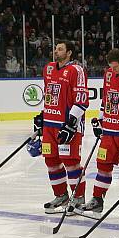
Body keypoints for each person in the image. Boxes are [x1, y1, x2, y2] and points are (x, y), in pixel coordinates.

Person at [74, 48, 119, 221]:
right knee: (103, 165)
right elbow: (106, 99)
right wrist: (100, 120)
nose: (113, 70)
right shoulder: (108, 74)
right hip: (109, 132)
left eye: (115, 67)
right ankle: (97, 200)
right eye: (110, 67)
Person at [33, 41, 89, 213]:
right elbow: (49, 94)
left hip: (67, 125)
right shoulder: (49, 68)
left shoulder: (76, 70)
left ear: (69, 53)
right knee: (51, 161)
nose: (56, 51)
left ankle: (78, 198)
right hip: (50, 124)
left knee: (71, 163)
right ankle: (61, 195)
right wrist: (43, 116)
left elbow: (81, 100)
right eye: (55, 49)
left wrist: (71, 123)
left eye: (60, 49)